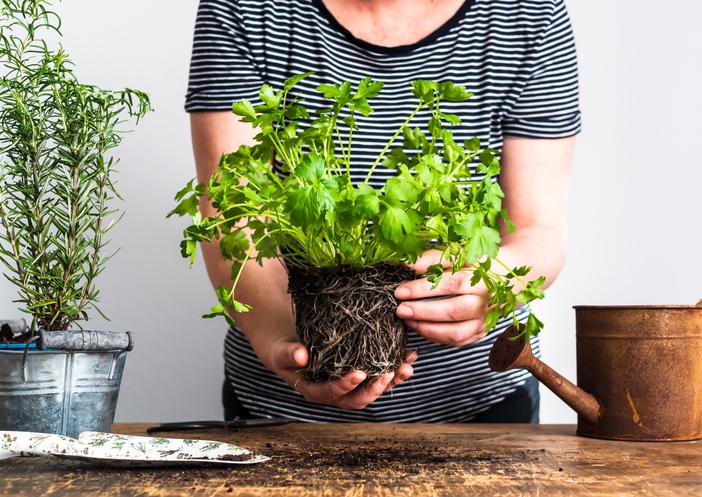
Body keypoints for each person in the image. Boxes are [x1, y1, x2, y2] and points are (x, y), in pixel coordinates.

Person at [185, 0, 579, 423]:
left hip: (479, 406)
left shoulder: (527, 13)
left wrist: (492, 284)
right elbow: (232, 211)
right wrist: (278, 334)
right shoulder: (245, 9)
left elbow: (539, 228)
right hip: (280, 412)